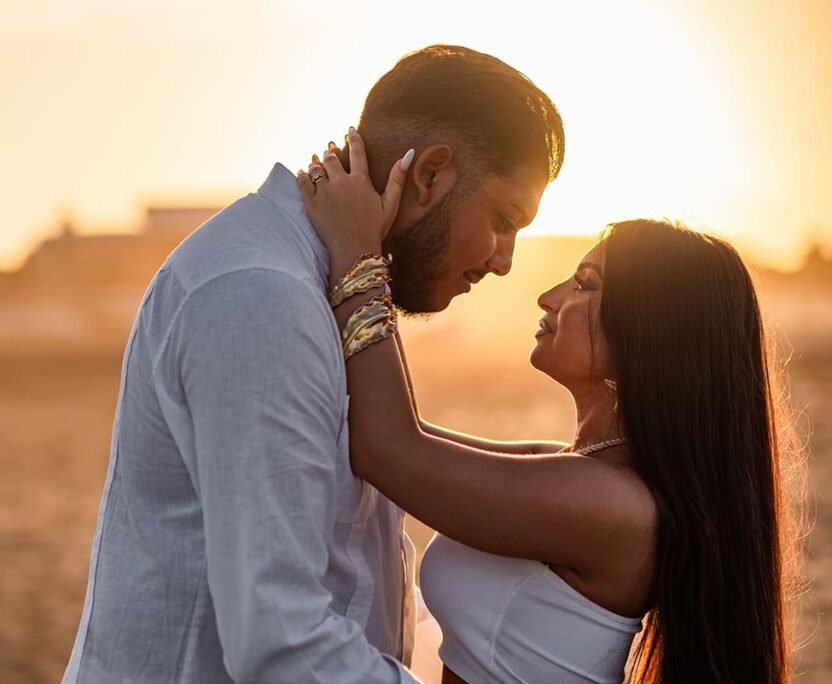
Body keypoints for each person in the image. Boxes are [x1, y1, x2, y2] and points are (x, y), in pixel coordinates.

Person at [61, 45, 564, 683]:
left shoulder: (337, 276)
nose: (505, 262)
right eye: (503, 219)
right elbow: (280, 638)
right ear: (431, 176)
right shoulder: (262, 294)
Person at [295, 132, 798, 683]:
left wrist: (361, 253)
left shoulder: (612, 506)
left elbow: (388, 450)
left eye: (585, 283)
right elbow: (394, 429)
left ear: (650, 334)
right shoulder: (578, 472)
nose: (550, 295)